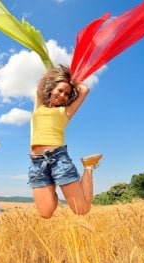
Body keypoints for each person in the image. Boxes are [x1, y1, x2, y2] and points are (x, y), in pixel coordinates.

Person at [29, 64, 102, 219]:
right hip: (37, 164)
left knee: (82, 210)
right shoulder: (39, 106)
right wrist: (55, 75)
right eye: (60, 90)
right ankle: (53, 185)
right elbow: (39, 87)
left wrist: (70, 79)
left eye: (67, 94)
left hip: (58, 159)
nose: (62, 95)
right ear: (51, 89)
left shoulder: (65, 112)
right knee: (45, 213)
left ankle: (88, 166)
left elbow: (85, 90)